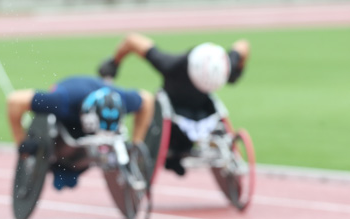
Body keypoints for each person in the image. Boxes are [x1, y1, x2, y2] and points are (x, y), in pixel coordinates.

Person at [98, 33, 250, 175]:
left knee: (218, 116)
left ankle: (233, 157)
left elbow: (243, 45)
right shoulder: (171, 65)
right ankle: (142, 158)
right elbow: (132, 40)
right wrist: (114, 62)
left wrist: (238, 70)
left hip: (202, 108)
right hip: (173, 116)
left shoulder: (222, 64)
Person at [6, 76, 154, 189]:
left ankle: (72, 171)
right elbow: (14, 101)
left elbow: (147, 100)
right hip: (68, 121)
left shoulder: (122, 100)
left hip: (91, 104)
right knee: (65, 176)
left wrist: (136, 143)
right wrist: (22, 142)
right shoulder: (61, 102)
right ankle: (62, 168)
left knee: (72, 176)